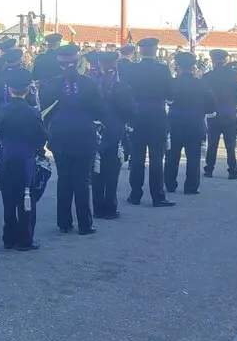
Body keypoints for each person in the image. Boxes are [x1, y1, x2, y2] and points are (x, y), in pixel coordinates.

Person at [44, 44, 106, 234]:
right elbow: (100, 110)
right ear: (77, 60)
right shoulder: (89, 83)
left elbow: (45, 111)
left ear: (59, 62)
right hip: (84, 135)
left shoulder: (51, 84)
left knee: (64, 178)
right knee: (82, 180)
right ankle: (85, 224)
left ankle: (64, 222)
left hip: (60, 135)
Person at [0, 67, 46, 250]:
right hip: (25, 157)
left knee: (8, 197)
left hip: (7, 156)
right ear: (27, 89)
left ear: (9, 89)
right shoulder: (32, 112)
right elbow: (42, 136)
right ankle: (25, 238)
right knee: (26, 197)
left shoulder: (2, 110)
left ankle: (8, 237)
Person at [122, 37, 174, 207]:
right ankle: (158, 196)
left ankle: (135, 194)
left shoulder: (132, 69)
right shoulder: (163, 69)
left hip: (137, 116)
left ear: (140, 51)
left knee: (137, 158)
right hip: (157, 116)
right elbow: (170, 96)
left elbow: (126, 91)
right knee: (157, 158)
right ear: (155, 50)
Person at [85, 51, 134, 220]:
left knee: (96, 171)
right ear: (116, 65)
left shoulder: (90, 85)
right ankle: (110, 207)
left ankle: (98, 207)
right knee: (112, 172)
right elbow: (130, 112)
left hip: (95, 130)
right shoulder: (122, 87)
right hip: (115, 130)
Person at [165, 52, 215, 195]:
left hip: (175, 122)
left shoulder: (173, 83)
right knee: (193, 156)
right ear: (193, 66)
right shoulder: (201, 83)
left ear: (178, 67)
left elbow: (167, 99)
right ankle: (191, 186)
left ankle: (170, 183)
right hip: (195, 122)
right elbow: (211, 104)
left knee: (172, 155)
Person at [203, 49, 237, 182]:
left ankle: (209, 169)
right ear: (225, 60)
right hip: (229, 113)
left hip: (213, 113)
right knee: (230, 144)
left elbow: (204, 95)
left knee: (212, 143)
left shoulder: (207, 76)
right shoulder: (233, 75)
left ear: (213, 61)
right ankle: (233, 170)